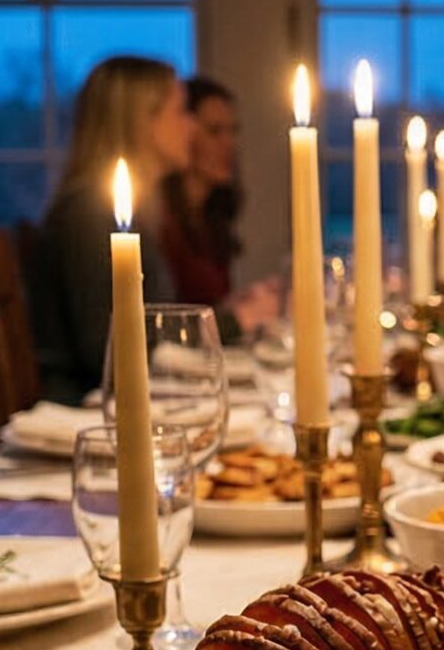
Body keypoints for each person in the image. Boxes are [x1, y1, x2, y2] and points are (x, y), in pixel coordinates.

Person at [29, 55, 189, 403]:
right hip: (79, 416)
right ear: (140, 121)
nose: (190, 126)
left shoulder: (140, 213)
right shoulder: (88, 212)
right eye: (180, 111)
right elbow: (106, 350)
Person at [157, 76, 272, 343]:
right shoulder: (160, 221)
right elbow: (163, 330)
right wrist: (243, 315)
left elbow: (205, 306)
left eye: (233, 131)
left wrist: (244, 301)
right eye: (215, 131)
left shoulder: (209, 216)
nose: (229, 144)